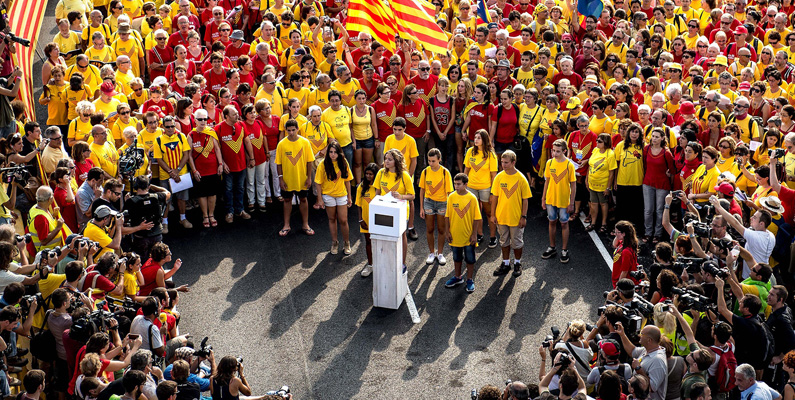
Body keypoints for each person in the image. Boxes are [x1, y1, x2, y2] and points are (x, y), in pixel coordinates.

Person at [490, 150, 531, 277]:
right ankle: (506, 263)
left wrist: (523, 216)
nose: (503, 165)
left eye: (506, 162)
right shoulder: (499, 177)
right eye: (502, 162)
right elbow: (494, 197)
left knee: (517, 243)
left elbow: (525, 200)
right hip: (501, 217)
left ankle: (517, 263)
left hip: (516, 218)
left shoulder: (521, 178)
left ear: (513, 162)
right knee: (504, 241)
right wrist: (492, 214)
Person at [374, 149, 415, 270]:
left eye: (389, 159)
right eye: (385, 158)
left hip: (400, 212)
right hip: (384, 211)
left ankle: (402, 263)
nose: (386, 161)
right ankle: (386, 262)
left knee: (401, 236)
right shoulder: (381, 172)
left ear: (396, 161)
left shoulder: (405, 175)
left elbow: (412, 195)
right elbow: (377, 193)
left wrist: (401, 196)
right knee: (385, 237)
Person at [442, 173, 482, 293]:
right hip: (455, 236)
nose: (456, 186)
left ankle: (469, 279)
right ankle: (458, 277)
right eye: (455, 183)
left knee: (470, 259)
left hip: (468, 236)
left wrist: (474, 234)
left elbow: (477, 218)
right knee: (456, 258)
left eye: (459, 184)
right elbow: (447, 216)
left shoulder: (472, 198)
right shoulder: (451, 197)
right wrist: (447, 232)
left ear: (466, 184)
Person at [153, 116, 194, 230]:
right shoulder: (159, 140)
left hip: (181, 174)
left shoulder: (181, 137)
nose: (171, 129)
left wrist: (178, 170)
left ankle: (183, 219)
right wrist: (171, 173)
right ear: (163, 127)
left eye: (172, 126)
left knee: (182, 199)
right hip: (166, 176)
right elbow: (159, 160)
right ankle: (165, 223)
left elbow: (186, 154)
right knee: (166, 200)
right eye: (168, 127)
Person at [216, 105, 254, 223]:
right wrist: (222, 163)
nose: (237, 115)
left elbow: (247, 142)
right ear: (226, 116)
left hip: (241, 165)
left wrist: (251, 158)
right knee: (228, 190)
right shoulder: (218, 128)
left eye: (237, 113)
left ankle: (240, 210)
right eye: (234, 114)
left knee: (240, 188)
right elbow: (216, 148)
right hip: (228, 167)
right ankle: (229, 212)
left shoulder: (241, 125)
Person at [314, 140, 353, 255]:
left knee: (343, 220)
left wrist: (349, 197)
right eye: (330, 152)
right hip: (328, 196)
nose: (333, 154)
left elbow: (347, 181)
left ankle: (346, 242)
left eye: (335, 152)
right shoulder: (323, 164)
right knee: (332, 219)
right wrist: (320, 199)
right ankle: (334, 242)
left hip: (341, 195)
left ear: (339, 153)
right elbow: (318, 182)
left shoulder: (344, 162)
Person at [542, 139, 576, 264]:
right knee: (551, 222)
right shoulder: (549, 163)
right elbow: (547, 181)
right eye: (553, 150)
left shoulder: (569, 165)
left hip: (564, 201)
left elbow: (573, 185)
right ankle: (552, 247)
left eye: (557, 151)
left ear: (564, 151)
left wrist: (571, 202)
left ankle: (564, 250)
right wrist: (543, 198)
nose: (554, 153)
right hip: (551, 199)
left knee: (564, 224)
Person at [419, 148, 453, 266]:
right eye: (429, 161)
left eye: (433, 161)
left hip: (442, 203)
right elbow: (422, 190)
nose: (431, 163)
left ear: (439, 160)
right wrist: (421, 208)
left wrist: (450, 209)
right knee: (429, 229)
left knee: (441, 229)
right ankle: (431, 253)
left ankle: (440, 253)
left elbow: (450, 193)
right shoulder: (425, 172)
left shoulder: (445, 172)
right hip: (428, 202)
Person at [616, 324, 668, 400]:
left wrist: (638, 369)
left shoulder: (658, 360)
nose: (639, 335)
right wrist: (622, 335)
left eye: (642, 334)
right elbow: (632, 351)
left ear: (649, 340)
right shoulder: (647, 350)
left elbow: (652, 388)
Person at [124, 177, 170, 259]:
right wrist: (151, 186)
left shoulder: (131, 202)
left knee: (141, 261)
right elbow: (167, 192)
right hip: (156, 234)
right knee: (157, 259)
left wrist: (126, 200)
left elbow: (124, 214)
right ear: (148, 186)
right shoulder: (157, 197)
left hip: (140, 237)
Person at [611, 221, 639, 287]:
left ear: (624, 234)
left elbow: (625, 271)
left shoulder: (626, 251)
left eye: (617, 232)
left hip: (623, 283)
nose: (615, 234)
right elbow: (614, 244)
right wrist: (617, 234)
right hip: (617, 278)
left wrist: (619, 286)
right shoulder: (623, 243)